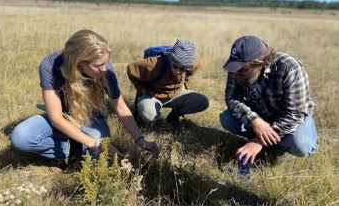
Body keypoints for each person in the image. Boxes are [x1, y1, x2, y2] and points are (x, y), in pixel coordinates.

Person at [10, 29, 159, 172]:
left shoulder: (106, 71)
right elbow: (56, 118)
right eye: (98, 65)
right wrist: (94, 143)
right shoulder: (50, 66)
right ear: (79, 62)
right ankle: (63, 151)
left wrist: (140, 139)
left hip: (92, 118)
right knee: (20, 137)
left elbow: (120, 107)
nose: (105, 69)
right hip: (63, 116)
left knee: (99, 161)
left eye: (106, 62)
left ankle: (76, 143)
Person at [219, 35, 318, 166]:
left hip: (288, 118)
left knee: (300, 144)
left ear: (260, 64)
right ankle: (270, 142)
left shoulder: (290, 68)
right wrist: (254, 120)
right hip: (260, 113)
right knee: (227, 119)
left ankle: (278, 147)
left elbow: (296, 114)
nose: (235, 73)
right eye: (234, 68)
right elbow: (231, 97)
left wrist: (258, 141)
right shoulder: (238, 68)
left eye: (242, 70)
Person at [127, 39, 209, 126]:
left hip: (177, 94)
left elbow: (193, 71)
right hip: (153, 95)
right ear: (171, 59)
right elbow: (131, 68)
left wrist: (185, 79)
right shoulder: (153, 63)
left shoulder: (194, 63)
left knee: (202, 102)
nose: (178, 71)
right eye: (175, 66)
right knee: (148, 115)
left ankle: (175, 114)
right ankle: (150, 120)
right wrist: (141, 88)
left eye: (182, 68)